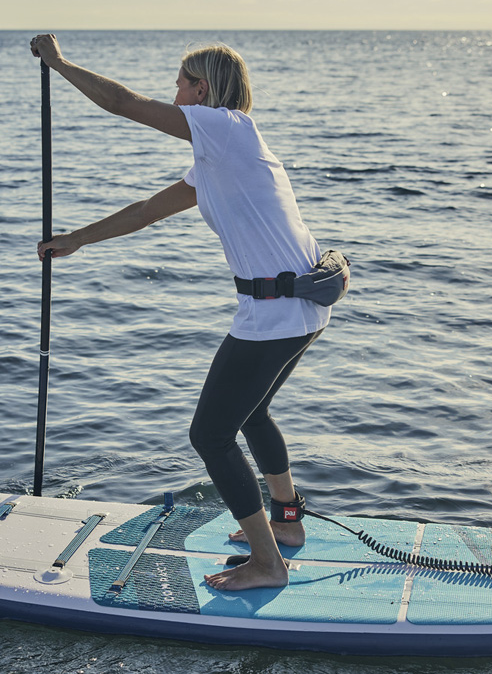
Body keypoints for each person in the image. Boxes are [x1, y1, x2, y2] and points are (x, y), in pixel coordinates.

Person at [31, 33, 330, 591]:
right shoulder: (222, 155)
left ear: (203, 90)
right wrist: (78, 239)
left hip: (275, 315)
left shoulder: (227, 127)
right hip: (297, 309)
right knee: (252, 415)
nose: (173, 95)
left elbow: (121, 103)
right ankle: (287, 524)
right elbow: (147, 210)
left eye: (179, 85)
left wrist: (60, 62)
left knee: (210, 436)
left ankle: (267, 563)